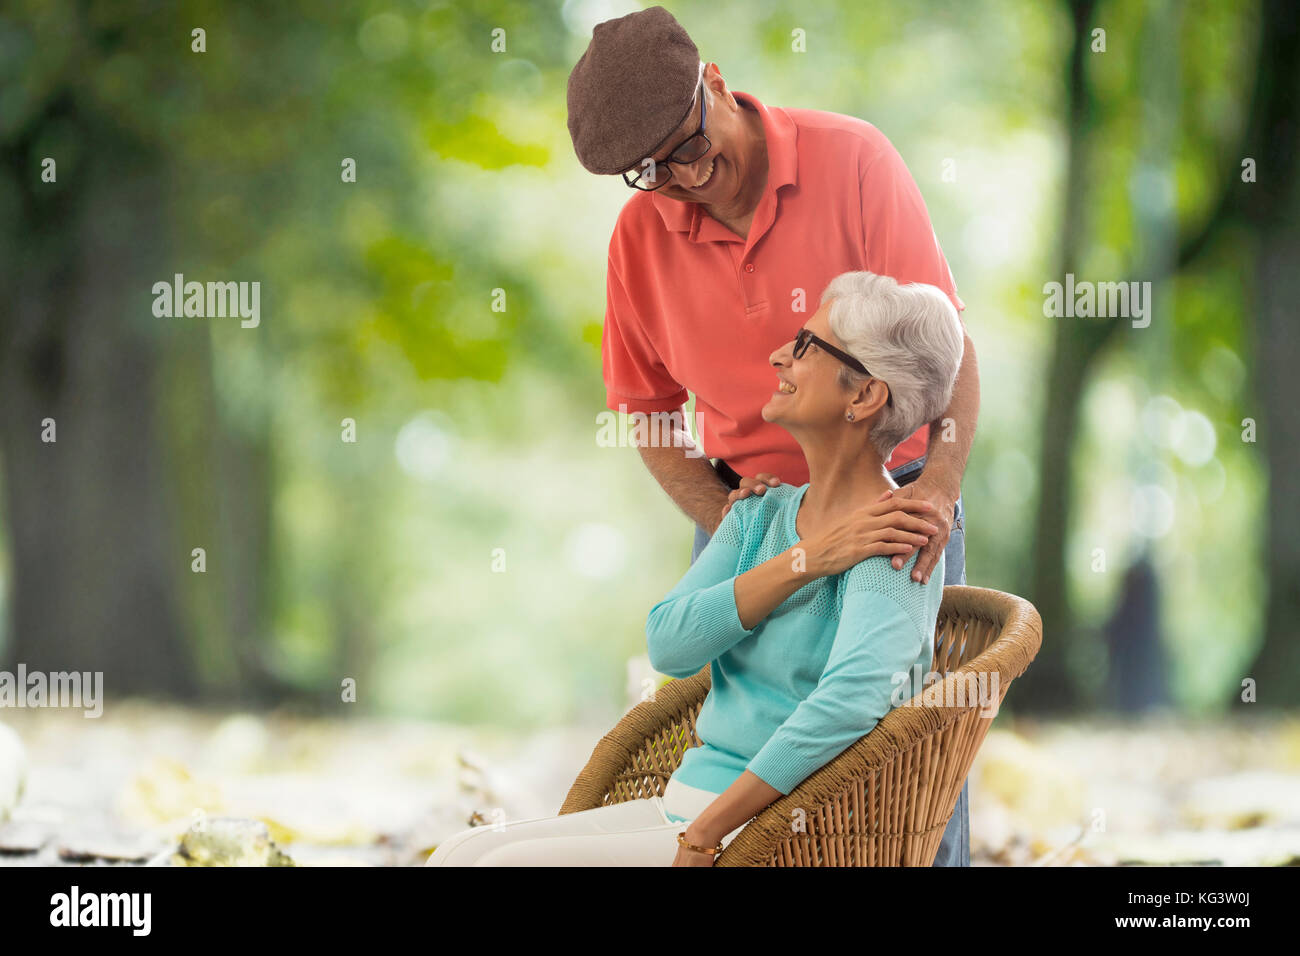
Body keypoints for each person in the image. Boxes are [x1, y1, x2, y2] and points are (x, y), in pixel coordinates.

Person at [566, 6, 979, 865]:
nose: (678, 176)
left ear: (713, 82)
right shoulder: (640, 237)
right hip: (749, 508)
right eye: (647, 171)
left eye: (683, 144)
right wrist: (737, 521)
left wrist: (936, 490)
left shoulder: (853, 160)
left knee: (906, 763)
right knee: (744, 715)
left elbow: (949, 345)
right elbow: (643, 408)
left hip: (892, 500)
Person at [426, 271, 965, 866]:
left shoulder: (894, 541)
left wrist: (706, 832)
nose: (779, 353)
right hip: (682, 806)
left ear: (864, 396)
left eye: (808, 345)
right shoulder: (759, 516)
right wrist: (809, 560)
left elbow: (850, 703)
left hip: (780, 833)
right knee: (461, 851)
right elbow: (669, 643)